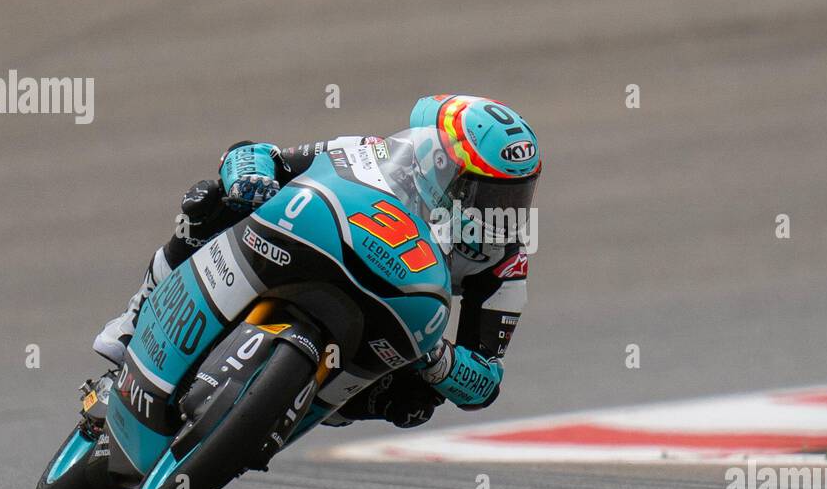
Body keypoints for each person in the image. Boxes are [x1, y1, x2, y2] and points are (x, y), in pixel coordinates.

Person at [93, 94, 540, 429]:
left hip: (386, 317)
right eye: (490, 193)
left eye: (517, 195)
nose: (502, 209)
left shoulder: (503, 261)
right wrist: (251, 179)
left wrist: (437, 359)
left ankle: (289, 411)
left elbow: (485, 383)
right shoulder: (371, 153)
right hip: (310, 252)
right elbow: (254, 153)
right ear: (445, 165)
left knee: (416, 403)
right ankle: (133, 324)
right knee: (210, 202)